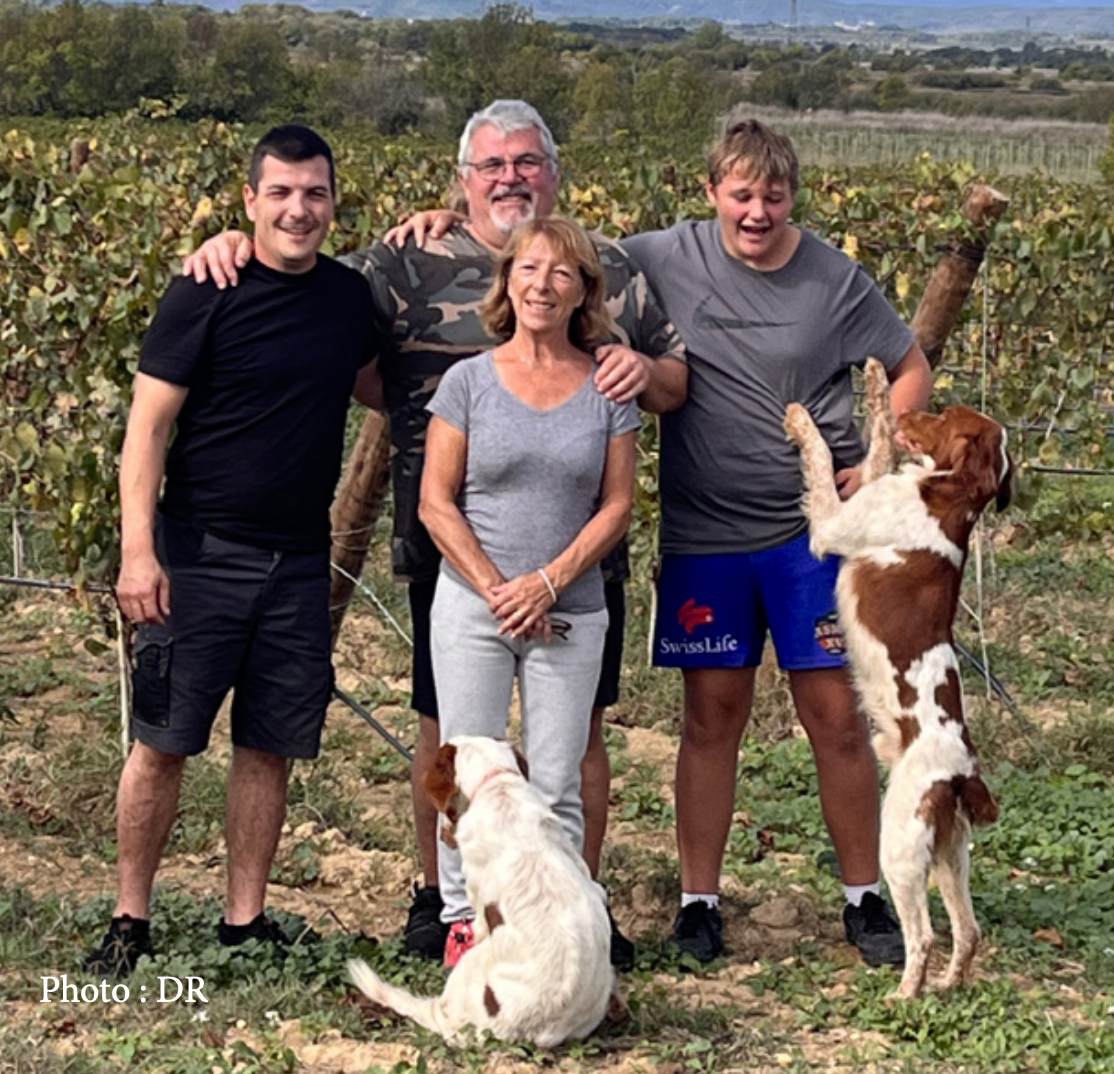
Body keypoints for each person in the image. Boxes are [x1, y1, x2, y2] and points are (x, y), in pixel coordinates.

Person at [183, 100, 688, 967]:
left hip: (577, 556)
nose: (509, 179)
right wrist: (227, 246)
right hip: (450, 541)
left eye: (526, 163)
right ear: (463, 181)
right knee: (445, 726)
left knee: (579, 737)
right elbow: (300, 273)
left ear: (553, 173)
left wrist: (645, 370)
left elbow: (675, 381)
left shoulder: (607, 266)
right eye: (490, 166)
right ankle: (445, 905)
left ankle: (572, 904)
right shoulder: (406, 261)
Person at [621, 119, 935, 966]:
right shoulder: (662, 256)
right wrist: (440, 224)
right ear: (712, 189)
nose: (756, 212)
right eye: (741, 194)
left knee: (834, 715)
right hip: (705, 533)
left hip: (814, 539)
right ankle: (697, 904)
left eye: (774, 196)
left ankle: (866, 898)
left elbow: (910, 368)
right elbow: (562, 256)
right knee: (710, 715)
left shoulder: (833, 278)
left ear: (794, 196)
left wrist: (877, 462)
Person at [85, 125, 381, 976]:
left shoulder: (347, 300)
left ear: (333, 201)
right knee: (162, 741)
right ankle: (130, 916)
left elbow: (374, 384)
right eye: (280, 193)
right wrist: (138, 552)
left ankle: (242, 920)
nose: (299, 209)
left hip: (297, 564)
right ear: (250, 200)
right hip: (198, 556)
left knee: (268, 744)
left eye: (315, 193)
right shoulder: (203, 289)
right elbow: (147, 429)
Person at [420, 215, 639, 962]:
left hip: (571, 612)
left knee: (556, 782)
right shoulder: (469, 383)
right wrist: (497, 589)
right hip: (473, 610)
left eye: (561, 272)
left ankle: (560, 933)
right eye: (528, 269)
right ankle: (466, 924)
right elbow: (434, 502)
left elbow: (617, 505)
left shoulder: (607, 387)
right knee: (468, 777)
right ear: (506, 281)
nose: (542, 284)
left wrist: (548, 583)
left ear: (584, 291)